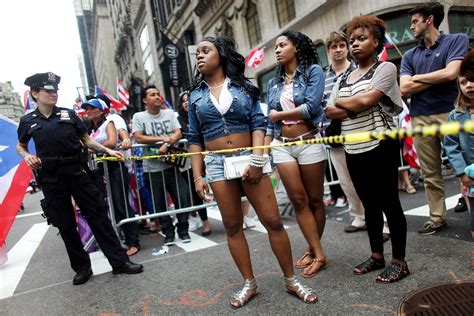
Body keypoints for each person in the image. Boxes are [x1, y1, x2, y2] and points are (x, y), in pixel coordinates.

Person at [188, 36, 317, 308]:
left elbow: (258, 123)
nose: (199, 56)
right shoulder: (195, 94)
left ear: (220, 55)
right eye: (197, 53)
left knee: (273, 221)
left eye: (205, 51)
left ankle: (292, 279)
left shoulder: (244, 88)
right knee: (233, 226)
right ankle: (249, 283)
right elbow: (194, 137)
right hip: (216, 163)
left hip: (249, 158)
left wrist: (258, 159)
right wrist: (198, 175)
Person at [17, 72, 143, 285]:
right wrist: (28, 156)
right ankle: (82, 268)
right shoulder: (28, 121)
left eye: (55, 90)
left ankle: (119, 262)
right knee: (65, 223)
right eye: (48, 91)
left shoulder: (68, 115)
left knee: (98, 217)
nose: (53, 94)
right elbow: (21, 146)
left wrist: (108, 151)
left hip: (78, 171)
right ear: (35, 94)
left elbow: (86, 140)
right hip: (51, 178)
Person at [325, 16, 410, 283]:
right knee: (369, 204)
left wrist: (348, 104)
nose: (355, 44)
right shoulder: (346, 75)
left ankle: (399, 261)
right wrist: (353, 105)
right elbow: (329, 109)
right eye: (352, 40)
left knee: (390, 204)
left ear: (376, 41)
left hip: (380, 145)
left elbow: (366, 99)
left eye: (362, 39)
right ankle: (376, 256)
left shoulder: (385, 69)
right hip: (353, 146)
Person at [400, 2, 469, 235]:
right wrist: (435, 77)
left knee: (467, 163)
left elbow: (452, 73)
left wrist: (417, 79)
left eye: (415, 21)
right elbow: (403, 87)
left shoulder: (456, 39)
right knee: (430, 173)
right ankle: (437, 217)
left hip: (451, 113)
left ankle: (471, 209)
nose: (411, 26)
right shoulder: (409, 54)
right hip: (420, 117)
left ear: (430, 20)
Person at [264, 30, 329, 278]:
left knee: (314, 200)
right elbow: (269, 123)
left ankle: (313, 250)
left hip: (309, 141)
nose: (277, 50)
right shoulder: (273, 82)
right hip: (282, 146)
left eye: (282, 45)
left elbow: (311, 107)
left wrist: (279, 116)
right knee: (298, 201)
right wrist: (264, 151)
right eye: (276, 47)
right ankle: (319, 253)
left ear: (297, 48)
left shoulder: (313, 71)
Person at [132, 86, 191, 246]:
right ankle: (169, 233)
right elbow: (139, 137)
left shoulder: (169, 113)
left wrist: (167, 143)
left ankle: (183, 230)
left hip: (172, 165)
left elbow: (178, 132)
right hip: (151, 169)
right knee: (159, 203)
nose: (157, 97)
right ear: (145, 100)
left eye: (158, 94)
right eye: (152, 95)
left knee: (182, 197)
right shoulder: (139, 116)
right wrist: (163, 139)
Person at [81, 97, 140, 256]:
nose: (88, 111)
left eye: (92, 108)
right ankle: (117, 238)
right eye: (86, 108)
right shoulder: (92, 130)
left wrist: (92, 149)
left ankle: (133, 241)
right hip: (101, 170)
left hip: (115, 167)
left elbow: (112, 142)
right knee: (108, 206)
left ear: (101, 110)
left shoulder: (109, 123)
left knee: (121, 204)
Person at [444, 50, 474, 238]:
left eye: (472, 80)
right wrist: (462, 172)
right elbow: (451, 146)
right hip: (471, 177)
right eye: (463, 82)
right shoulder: (455, 116)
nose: (468, 85)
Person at [176, 90, 212, 236]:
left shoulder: (201, 114)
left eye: (188, 100)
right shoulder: (178, 120)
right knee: (196, 193)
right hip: (189, 163)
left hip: (208, 158)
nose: (186, 102)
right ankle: (205, 223)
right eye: (183, 100)